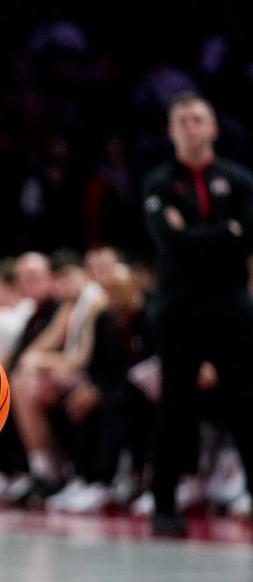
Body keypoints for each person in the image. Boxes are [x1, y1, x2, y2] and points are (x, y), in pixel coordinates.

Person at [140, 89, 253, 536]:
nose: (190, 127)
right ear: (170, 131)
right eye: (182, 121)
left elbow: (247, 239)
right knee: (174, 408)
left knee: (247, 403)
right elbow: (170, 242)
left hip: (231, 309)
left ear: (213, 127)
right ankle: (164, 505)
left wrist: (194, 235)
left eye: (197, 119)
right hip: (178, 311)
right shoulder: (158, 182)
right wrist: (224, 233)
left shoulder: (239, 179)